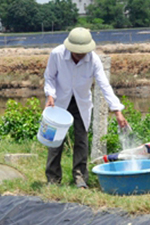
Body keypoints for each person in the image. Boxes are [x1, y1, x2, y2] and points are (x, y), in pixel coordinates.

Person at [43, 27, 128, 188]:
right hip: (59, 101)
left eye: (83, 52)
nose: (80, 55)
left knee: (81, 140)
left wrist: (117, 111)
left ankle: (80, 177)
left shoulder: (93, 60)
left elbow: (104, 85)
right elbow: (49, 77)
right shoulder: (57, 54)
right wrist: (50, 95)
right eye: (77, 52)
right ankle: (53, 179)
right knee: (55, 141)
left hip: (81, 102)